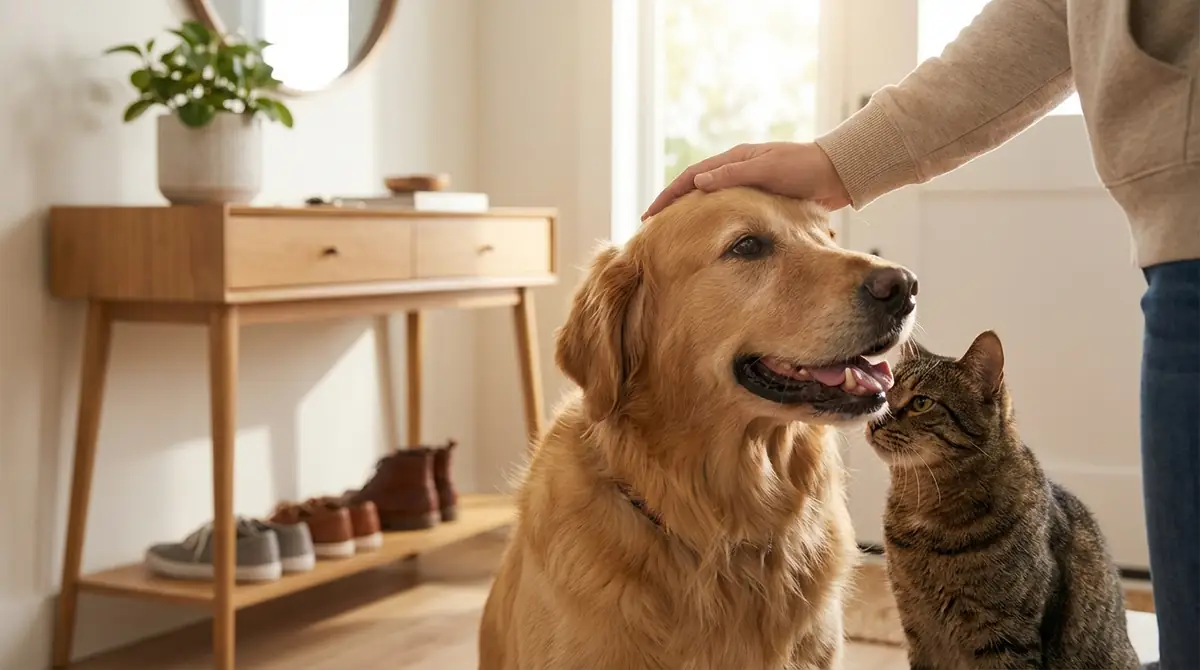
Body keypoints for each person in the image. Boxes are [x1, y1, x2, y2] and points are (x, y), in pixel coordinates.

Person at [643, 1, 1199, 668]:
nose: (879, 279)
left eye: (822, 237)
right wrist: (837, 160)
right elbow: (1052, 15)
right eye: (750, 248)